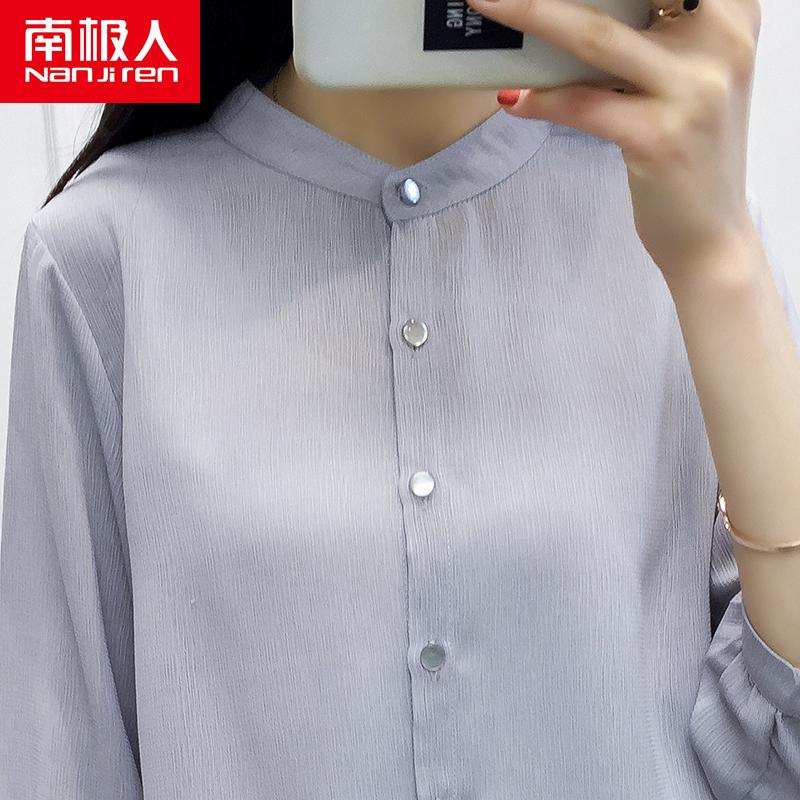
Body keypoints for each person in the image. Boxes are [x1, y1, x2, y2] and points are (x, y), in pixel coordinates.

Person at [1, 0, 798, 797]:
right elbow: (59, 763)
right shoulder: (102, 257)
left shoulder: (687, 232)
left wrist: (717, 259)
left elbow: (776, 755)